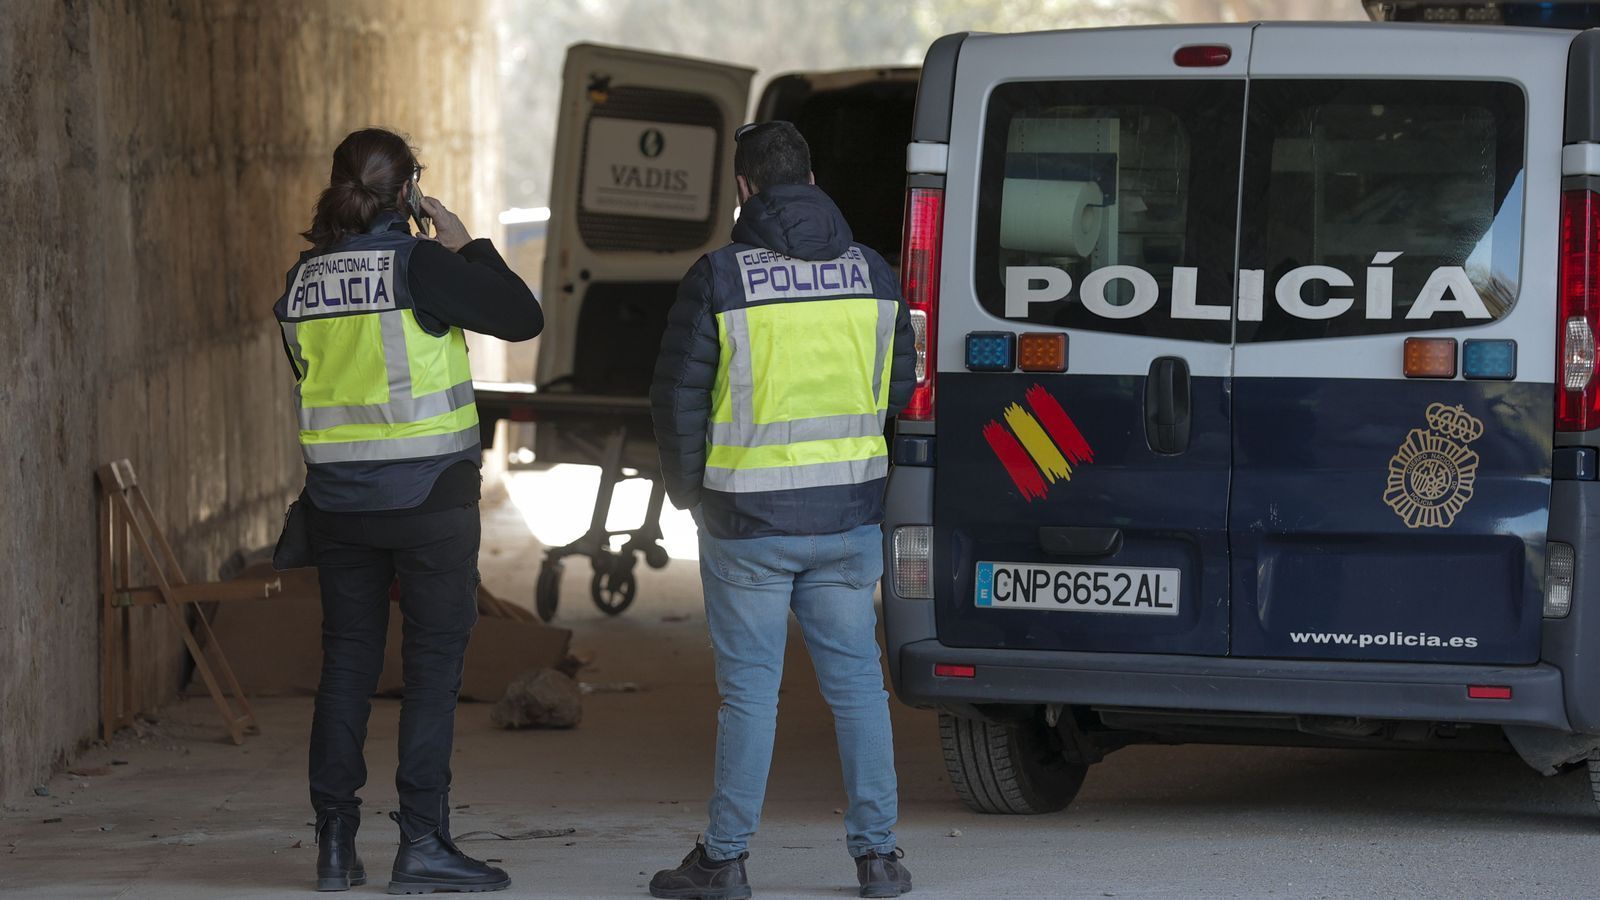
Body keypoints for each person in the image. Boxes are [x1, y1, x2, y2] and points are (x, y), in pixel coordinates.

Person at [647, 121, 917, 900]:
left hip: (747, 527)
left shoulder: (722, 278)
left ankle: (725, 861)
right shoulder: (874, 274)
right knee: (860, 687)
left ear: (744, 189)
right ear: (811, 178)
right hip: (847, 518)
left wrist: (689, 488)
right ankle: (879, 859)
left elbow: (676, 395)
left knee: (750, 694)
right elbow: (901, 385)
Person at [272, 128, 541, 894]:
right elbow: (521, 319)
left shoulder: (300, 283)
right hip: (428, 500)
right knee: (429, 671)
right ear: (410, 192)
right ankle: (422, 843)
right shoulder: (419, 265)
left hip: (342, 507)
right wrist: (468, 247)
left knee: (348, 664)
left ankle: (334, 845)